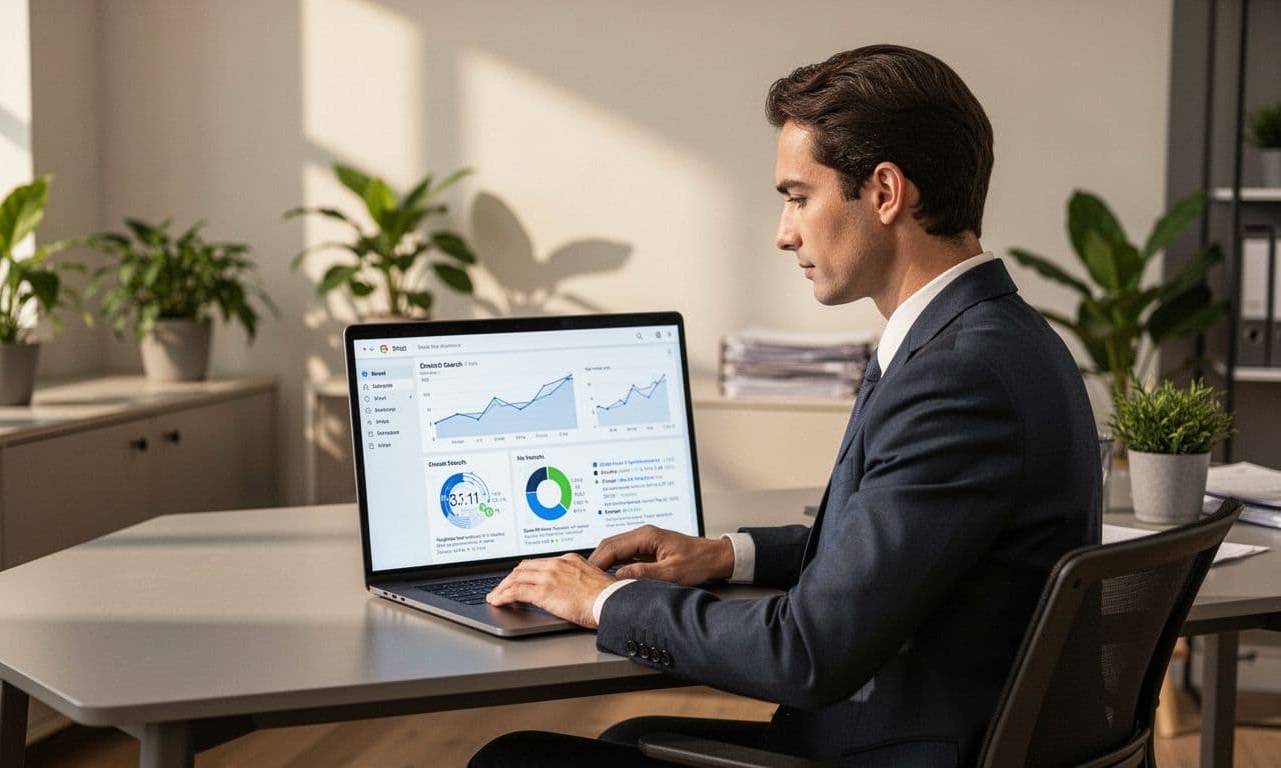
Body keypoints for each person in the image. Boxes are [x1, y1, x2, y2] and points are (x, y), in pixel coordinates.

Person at [471, 43, 1100, 768]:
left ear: (886, 192)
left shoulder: (959, 376)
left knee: (514, 759)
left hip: (899, 751)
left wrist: (602, 602)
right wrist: (726, 555)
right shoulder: (1000, 338)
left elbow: (805, 652)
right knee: (627, 740)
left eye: (799, 197)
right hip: (934, 734)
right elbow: (909, 548)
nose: (784, 232)